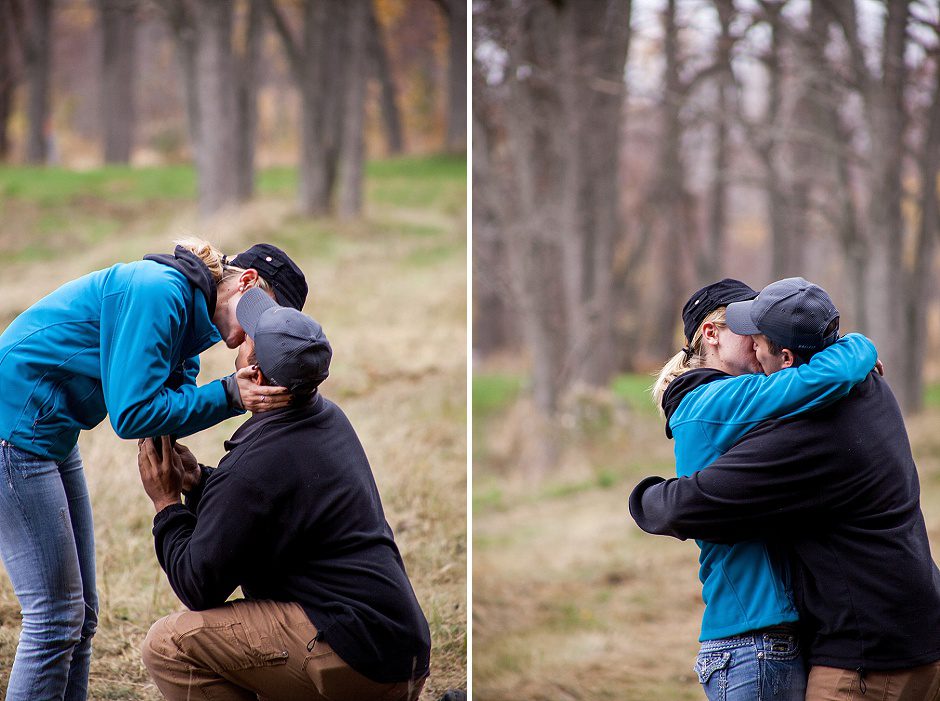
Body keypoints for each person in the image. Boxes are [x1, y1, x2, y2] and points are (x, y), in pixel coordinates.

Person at [0, 238, 307, 701]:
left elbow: (167, 401)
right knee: (54, 618)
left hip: (48, 431)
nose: (257, 339)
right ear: (246, 282)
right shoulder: (159, 292)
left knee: (80, 618)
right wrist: (228, 394)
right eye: (264, 320)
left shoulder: (193, 315)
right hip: (13, 429)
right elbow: (132, 415)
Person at [631, 277, 940, 701]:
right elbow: (815, 379)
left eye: (763, 333)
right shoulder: (722, 400)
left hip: (833, 638)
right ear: (711, 334)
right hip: (754, 632)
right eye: (750, 331)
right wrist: (858, 348)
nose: (757, 342)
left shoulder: (795, 413)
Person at [137, 287, 431, 701]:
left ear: (255, 377)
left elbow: (196, 584)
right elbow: (261, 512)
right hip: (397, 651)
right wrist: (198, 481)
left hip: (358, 661)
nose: (239, 340)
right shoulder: (326, 418)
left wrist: (166, 502)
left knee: (168, 646)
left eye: (248, 340)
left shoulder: (254, 469)